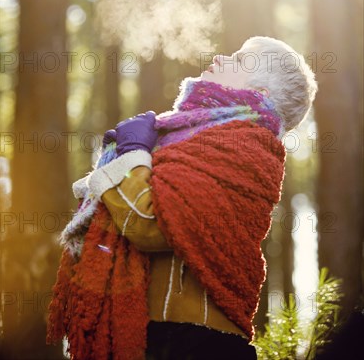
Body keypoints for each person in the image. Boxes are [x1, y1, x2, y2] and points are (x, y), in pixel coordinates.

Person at [47, 36, 317, 360]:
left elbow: (151, 225)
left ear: (260, 95)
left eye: (242, 61)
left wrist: (132, 154)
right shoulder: (188, 136)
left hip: (193, 343)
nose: (221, 57)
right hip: (157, 336)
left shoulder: (249, 146)